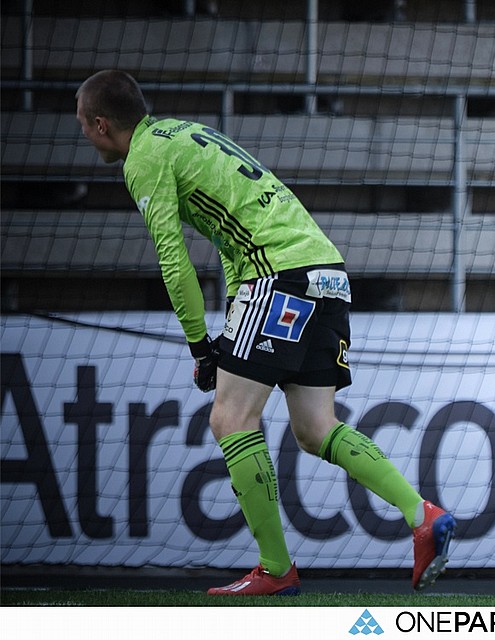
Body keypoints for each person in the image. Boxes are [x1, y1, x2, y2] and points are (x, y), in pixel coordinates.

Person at [75, 69, 456, 596]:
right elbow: (230, 235)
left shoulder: (143, 158)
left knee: (230, 417)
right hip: (326, 272)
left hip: (277, 275)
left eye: (82, 124)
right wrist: (230, 321)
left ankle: (276, 569)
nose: (83, 133)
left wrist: (199, 344)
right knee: (315, 428)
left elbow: (173, 260)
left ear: (100, 124)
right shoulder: (186, 133)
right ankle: (422, 515)